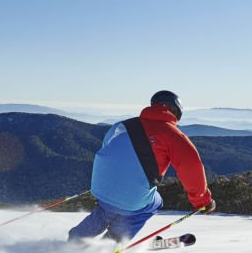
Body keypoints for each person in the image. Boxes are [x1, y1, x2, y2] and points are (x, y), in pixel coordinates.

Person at [68, 90, 215, 243]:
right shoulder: (173, 135)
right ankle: (113, 241)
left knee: (107, 208)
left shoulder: (122, 125)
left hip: (101, 187)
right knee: (153, 202)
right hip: (131, 196)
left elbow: (109, 151)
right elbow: (191, 167)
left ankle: (77, 238)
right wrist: (202, 201)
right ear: (176, 110)